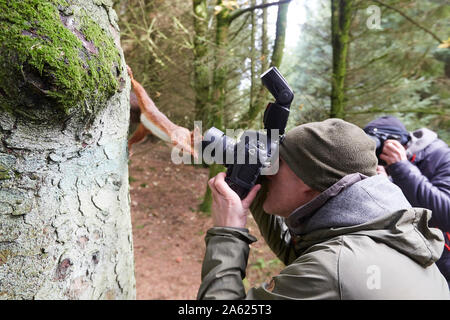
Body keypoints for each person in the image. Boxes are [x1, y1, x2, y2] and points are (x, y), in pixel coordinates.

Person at [197, 118, 449, 300]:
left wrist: (226, 232)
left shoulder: (335, 270)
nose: (267, 170)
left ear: (308, 183)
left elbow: (325, 268)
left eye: (278, 163)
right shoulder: (389, 231)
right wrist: (254, 183)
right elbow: (301, 252)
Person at [364, 116, 450, 287]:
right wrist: (386, 182)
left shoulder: (440, 156)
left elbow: (446, 213)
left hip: (444, 263)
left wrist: (401, 168)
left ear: (395, 142)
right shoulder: (387, 165)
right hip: (413, 259)